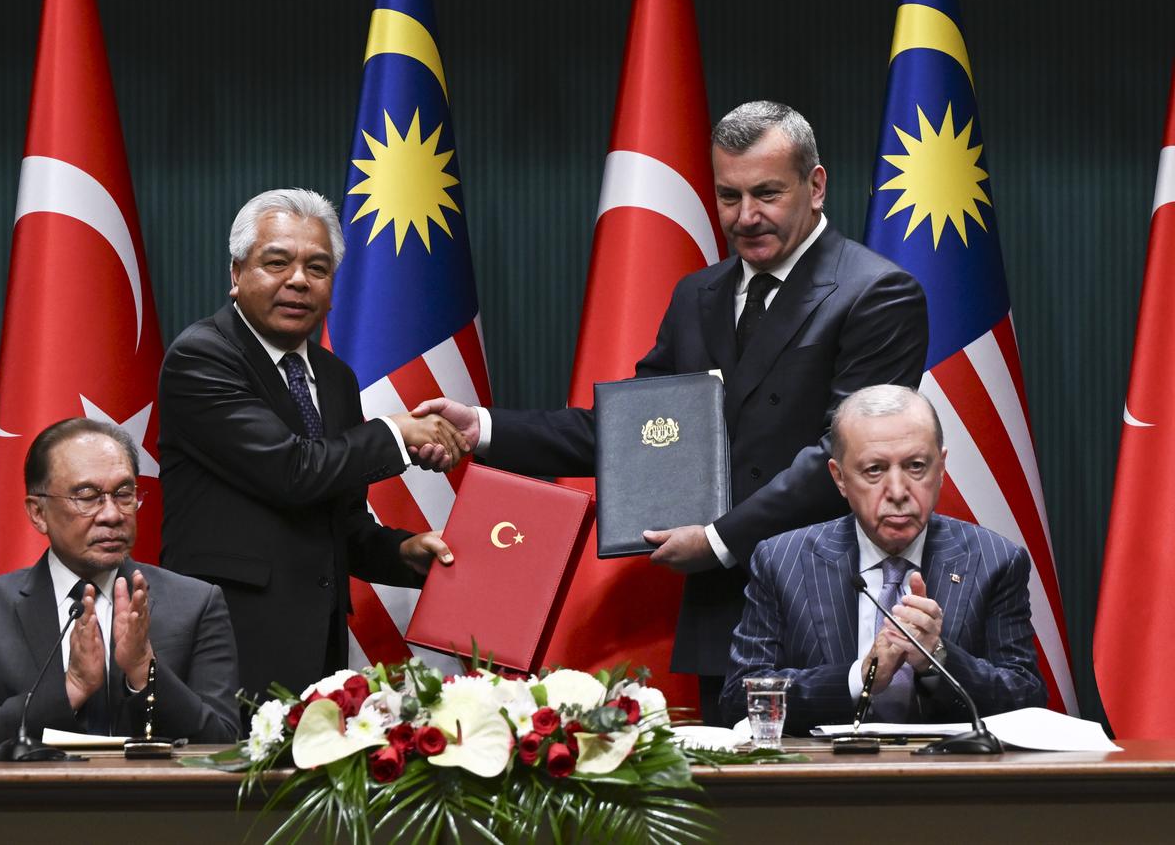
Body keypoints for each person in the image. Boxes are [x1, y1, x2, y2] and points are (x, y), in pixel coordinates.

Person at [413, 102, 929, 724]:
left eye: (767, 193)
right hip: (725, 618)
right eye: (729, 196)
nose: (747, 217)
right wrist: (486, 428)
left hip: (828, 603)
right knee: (736, 816)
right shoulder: (698, 295)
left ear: (816, 186)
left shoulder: (877, 292)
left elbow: (846, 459)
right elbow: (639, 433)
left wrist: (717, 540)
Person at [158, 188, 466, 703]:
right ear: (236, 275)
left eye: (317, 268)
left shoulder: (334, 377)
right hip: (225, 643)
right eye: (277, 262)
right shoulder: (202, 357)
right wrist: (396, 434)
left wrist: (400, 552)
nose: (298, 280)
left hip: (317, 650)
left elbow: (337, 519)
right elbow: (292, 471)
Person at [720, 385, 1046, 731]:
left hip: (949, 779)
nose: (897, 491)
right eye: (874, 470)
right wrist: (859, 678)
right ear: (840, 478)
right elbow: (741, 700)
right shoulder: (782, 561)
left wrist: (937, 658)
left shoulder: (995, 560)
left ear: (942, 468)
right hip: (824, 780)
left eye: (916, 466)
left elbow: (1026, 699)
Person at [0, 419, 240, 743]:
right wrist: (72, 688)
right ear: (38, 512)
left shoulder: (197, 604)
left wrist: (144, 671)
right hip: (32, 794)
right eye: (87, 496)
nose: (112, 514)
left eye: (124, 494)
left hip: (154, 795)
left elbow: (222, 740)